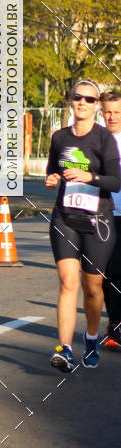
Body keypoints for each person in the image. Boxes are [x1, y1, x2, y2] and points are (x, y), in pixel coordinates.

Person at [45, 79, 120, 371]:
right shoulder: (59, 137)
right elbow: (53, 170)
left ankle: (90, 337)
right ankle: (64, 349)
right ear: (70, 100)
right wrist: (52, 179)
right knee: (68, 282)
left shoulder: (104, 139)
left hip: (98, 220)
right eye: (78, 97)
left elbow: (115, 180)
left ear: (96, 105)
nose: (83, 102)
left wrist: (91, 178)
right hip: (65, 218)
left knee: (92, 288)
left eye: (90, 99)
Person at [101, 90, 121, 350]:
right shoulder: (96, 140)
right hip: (104, 214)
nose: (113, 117)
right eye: (108, 112)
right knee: (106, 275)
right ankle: (115, 324)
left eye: (117, 112)